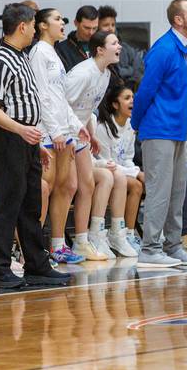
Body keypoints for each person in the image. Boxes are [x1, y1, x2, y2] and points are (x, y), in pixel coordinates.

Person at [0, 3, 70, 288]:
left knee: (31, 202)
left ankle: (36, 264)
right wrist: (22, 130)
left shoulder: (21, 56)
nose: (35, 29)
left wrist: (35, 142)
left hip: (28, 140)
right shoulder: (0, 60)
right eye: (33, 24)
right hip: (10, 138)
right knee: (7, 203)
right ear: (22, 26)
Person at [131, 0, 187, 267]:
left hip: (177, 130)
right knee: (159, 191)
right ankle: (149, 249)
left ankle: (173, 246)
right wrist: (137, 124)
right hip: (158, 128)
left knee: (176, 191)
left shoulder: (186, 47)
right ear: (178, 20)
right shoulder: (163, 49)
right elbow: (145, 92)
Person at [65, 31, 137, 259]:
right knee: (73, 186)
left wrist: (91, 132)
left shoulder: (105, 74)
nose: (120, 46)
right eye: (114, 43)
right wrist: (78, 126)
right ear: (100, 49)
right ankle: (69, 241)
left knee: (97, 182)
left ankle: (94, 236)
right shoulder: (82, 73)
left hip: (80, 134)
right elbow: (62, 104)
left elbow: (85, 107)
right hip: (62, 134)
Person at [28, 8, 89, 264]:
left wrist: (75, 125)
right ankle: (33, 249)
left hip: (63, 130)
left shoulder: (54, 52)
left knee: (69, 186)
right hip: (48, 131)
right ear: (42, 25)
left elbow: (60, 97)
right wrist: (54, 132)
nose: (62, 23)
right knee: (45, 187)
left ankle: (57, 245)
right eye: (56, 19)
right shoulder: (38, 53)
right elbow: (41, 96)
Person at [95, 83, 146, 253]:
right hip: (103, 172)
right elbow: (107, 163)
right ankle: (115, 233)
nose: (132, 101)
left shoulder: (131, 126)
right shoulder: (103, 127)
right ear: (115, 105)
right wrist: (137, 173)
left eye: (133, 97)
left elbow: (128, 159)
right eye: (127, 98)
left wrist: (135, 171)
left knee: (138, 185)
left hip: (122, 173)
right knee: (136, 183)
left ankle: (129, 234)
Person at [97, 5, 144, 87]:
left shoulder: (125, 48)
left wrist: (127, 84)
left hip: (127, 92)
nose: (110, 28)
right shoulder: (95, 49)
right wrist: (129, 70)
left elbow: (139, 69)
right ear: (97, 27)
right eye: (106, 25)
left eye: (113, 25)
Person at [55, 5, 99, 72]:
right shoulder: (61, 49)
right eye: (86, 28)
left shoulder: (103, 45)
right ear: (76, 23)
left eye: (95, 28)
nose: (91, 32)